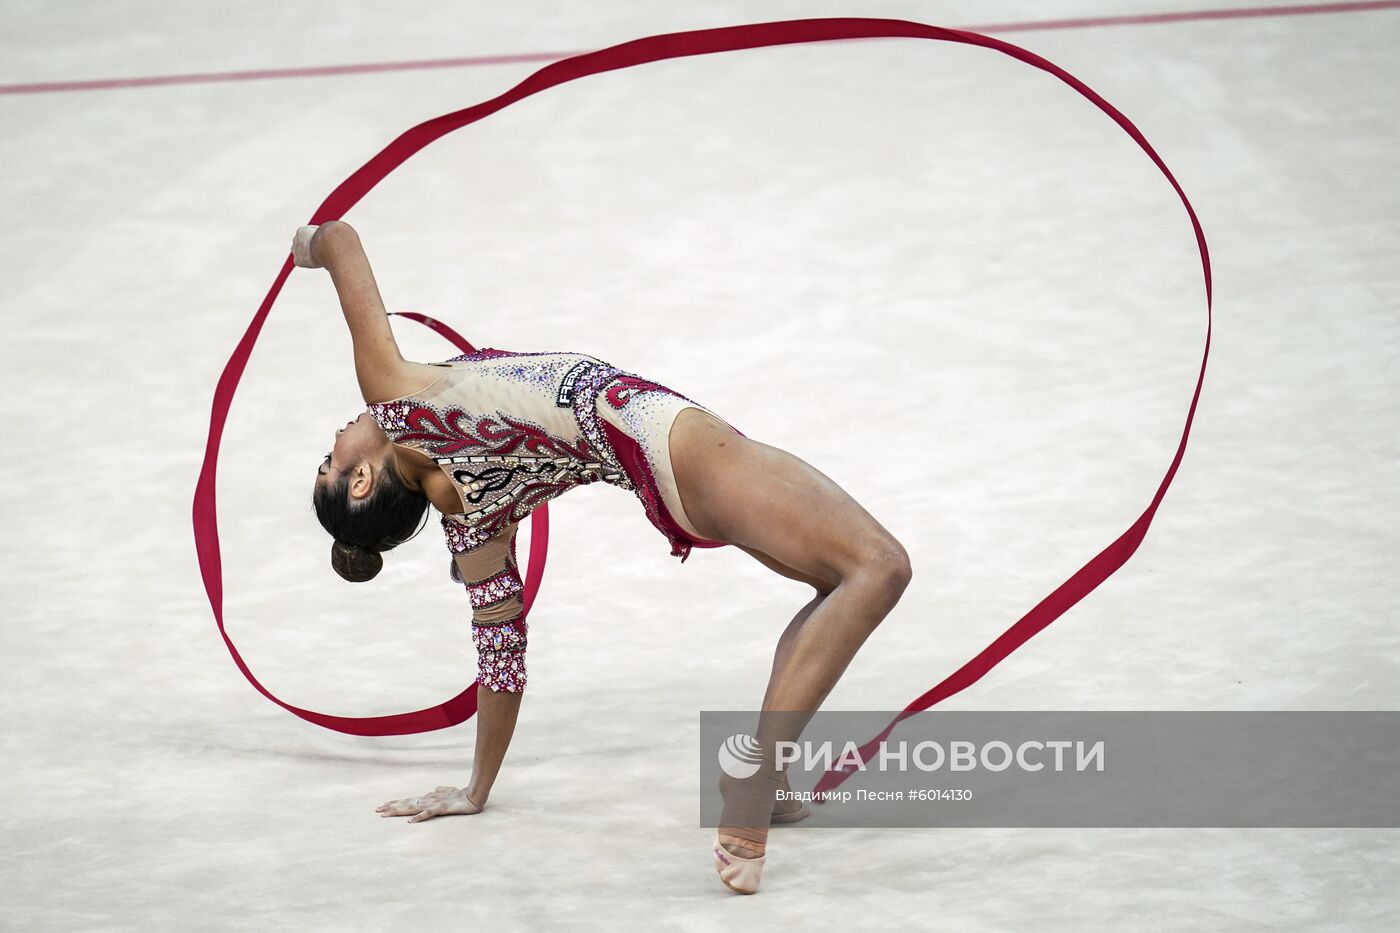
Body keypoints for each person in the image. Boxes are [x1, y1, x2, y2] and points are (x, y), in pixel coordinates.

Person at [295, 220, 913, 894]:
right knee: (878, 566)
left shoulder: (472, 531)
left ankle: (765, 779)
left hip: (670, 478)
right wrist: (306, 245)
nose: (335, 437)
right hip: (674, 445)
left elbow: (501, 660)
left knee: (836, 580)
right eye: (331, 460)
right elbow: (343, 240)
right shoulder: (392, 393)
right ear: (360, 481)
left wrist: (477, 788)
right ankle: (754, 784)